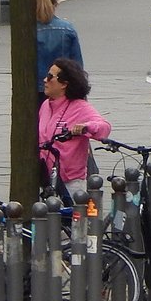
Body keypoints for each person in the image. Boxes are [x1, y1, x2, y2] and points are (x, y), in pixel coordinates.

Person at [38, 57, 112, 203]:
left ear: (64, 84)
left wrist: (87, 127)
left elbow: (105, 127)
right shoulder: (45, 105)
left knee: (74, 224)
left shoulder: (80, 107)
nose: (45, 80)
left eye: (50, 77)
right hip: (46, 181)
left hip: (70, 183)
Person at [35, 0, 83, 103]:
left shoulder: (27, 31)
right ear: (56, 3)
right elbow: (77, 66)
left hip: (36, 90)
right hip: (61, 90)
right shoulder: (67, 29)